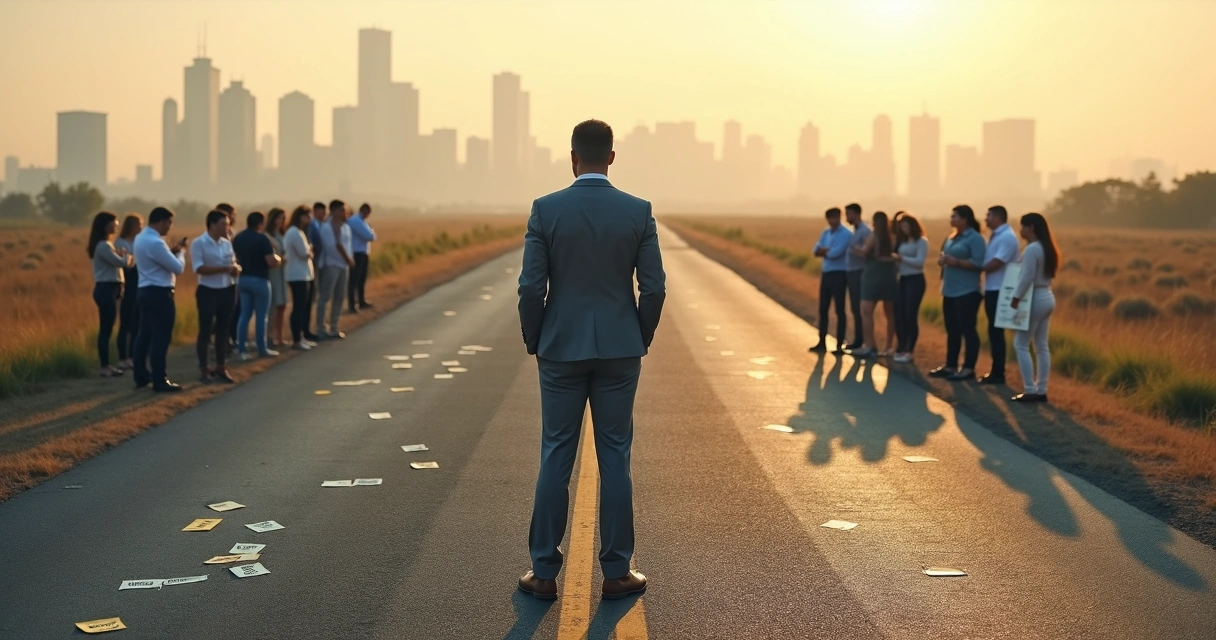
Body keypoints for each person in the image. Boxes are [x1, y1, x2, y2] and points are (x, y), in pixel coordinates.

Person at [517, 119, 664, 602]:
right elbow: (655, 287)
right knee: (615, 456)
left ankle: (543, 573)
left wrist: (536, 339)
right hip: (620, 349)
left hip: (560, 348)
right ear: (613, 156)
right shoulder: (638, 211)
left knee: (556, 453)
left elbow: (530, 288)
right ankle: (617, 572)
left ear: (572, 156)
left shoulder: (545, 209)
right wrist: (636, 335)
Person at [929, 205, 987, 381]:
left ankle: (968, 368)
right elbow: (947, 257)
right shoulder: (951, 237)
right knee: (952, 330)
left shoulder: (975, 238)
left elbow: (979, 264)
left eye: (954, 216)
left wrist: (957, 262)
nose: (951, 219)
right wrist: (943, 261)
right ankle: (950, 365)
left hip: (967, 292)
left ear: (965, 219)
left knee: (967, 329)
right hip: (950, 291)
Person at [132, 206, 187, 392]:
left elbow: (157, 261)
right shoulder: (156, 242)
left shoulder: (141, 237)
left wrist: (171, 251)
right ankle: (159, 379)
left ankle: (140, 375)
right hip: (160, 293)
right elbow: (178, 268)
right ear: (162, 221)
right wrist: (181, 253)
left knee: (144, 336)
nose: (169, 227)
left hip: (144, 290)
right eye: (169, 223)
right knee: (160, 338)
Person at [1010, 213, 1060, 403]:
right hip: (1047, 296)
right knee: (1041, 346)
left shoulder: (1032, 249)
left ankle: (1030, 389)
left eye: (1022, 227)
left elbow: (1027, 276)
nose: (1020, 230)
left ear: (1030, 228)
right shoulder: (1047, 248)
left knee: (1021, 344)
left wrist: (1015, 298)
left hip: (1034, 298)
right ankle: (1041, 390)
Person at [190, 210, 240, 383]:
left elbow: (232, 262)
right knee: (205, 330)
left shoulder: (227, 244)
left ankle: (221, 366)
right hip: (208, 290)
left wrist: (235, 269)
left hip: (228, 288)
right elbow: (199, 268)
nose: (227, 227)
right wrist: (224, 269)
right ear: (212, 224)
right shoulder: (199, 243)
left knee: (223, 329)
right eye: (223, 224)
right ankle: (204, 369)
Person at [977, 205, 1020, 384]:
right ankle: (996, 370)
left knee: (997, 332)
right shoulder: (996, 236)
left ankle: (998, 372)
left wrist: (975, 268)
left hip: (1001, 289)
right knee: (994, 331)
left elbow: (997, 263)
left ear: (998, 217)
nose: (986, 219)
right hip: (992, 288)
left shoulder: (1007, 237)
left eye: (989, 216)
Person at [88, 211, 132, 378]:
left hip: (111, 289)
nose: (117, 225)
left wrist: (121, 256)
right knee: (106, 329)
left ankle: (106, 365)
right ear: (106, 225)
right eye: (114, 222)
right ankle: (104, 366)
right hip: (106, 289)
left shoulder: (105, 245)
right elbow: (122, 263)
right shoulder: (104, 246)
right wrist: (126, 255)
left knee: (108, 327)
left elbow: (117, 261)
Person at [849, 211, 898, 359]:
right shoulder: (892, 238)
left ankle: (869, 345)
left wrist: (853, 248)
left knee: (866, 312)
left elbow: (864, 251)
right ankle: (889, 346)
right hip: (889, 277)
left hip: (872, 276)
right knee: (890, 313)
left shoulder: (874, 236)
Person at [233, 211, 282, 359]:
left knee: (244, 315)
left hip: (243, 279)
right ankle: (262, 348)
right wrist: (279, 258)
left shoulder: (238, 238)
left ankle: (241, 349)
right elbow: (271, 262)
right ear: (260, 223)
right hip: (260, 279)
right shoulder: (262, 239)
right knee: (262, 316)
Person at [808, 207, 852, 354]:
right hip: (826, 272)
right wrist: (824, 251)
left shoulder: (846, 234)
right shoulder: (825, 232)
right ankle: (822, 341)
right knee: (823, 309)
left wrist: (824, 251)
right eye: (830, 218)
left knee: (840, 309)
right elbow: (815, 249)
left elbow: (835, 253)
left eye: (835, 217)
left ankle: (840, 343)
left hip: (840, 273)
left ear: (840, 217)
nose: (833, 221)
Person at [892, 212, 928, 364]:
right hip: (903, 279)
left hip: (915, 280)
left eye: (906, 226)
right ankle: (901, 346)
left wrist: (902, 258)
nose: (904, 229)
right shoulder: (902, 242)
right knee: (899, 314)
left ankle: (909, 350)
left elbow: (920, 262)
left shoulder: (921, 241)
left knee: (910, 314)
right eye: (902, 227)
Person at [314, 200, 354, 339]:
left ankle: (334, 327)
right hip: (331, 265)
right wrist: (346, 259)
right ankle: (320, 328)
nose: (345, 213)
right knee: (325, 297)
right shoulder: (327, 227)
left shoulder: (345, 227)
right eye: (342, 210)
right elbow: (331, 247)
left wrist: (348, 260)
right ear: (335, 211)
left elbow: (348, 245)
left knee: (339, 296)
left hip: (344, 266)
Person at [284, 205, 317, 350]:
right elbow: (304, 253)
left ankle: (301, 336)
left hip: (303, 274)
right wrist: (310, 249)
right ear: (300, 216)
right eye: (307, 215)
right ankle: (297, 339)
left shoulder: (299, 232)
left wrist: (309, 250)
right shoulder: (294, 232)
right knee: (298, 307)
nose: (309, 218)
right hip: (297, 275)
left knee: (303, 306)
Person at [113, 213, 143, 370]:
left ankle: (132, 355)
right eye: (139, 224)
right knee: (125, 322)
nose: (141, 227)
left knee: (136, 322)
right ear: (131, 226)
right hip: (128, 282)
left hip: (139, 282)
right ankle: (122, 357)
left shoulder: (138, 241)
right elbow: (126, 263)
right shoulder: (121, 242)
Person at [843, 202, 869, 350]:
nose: (847, 217)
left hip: (859, 272)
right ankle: (858, 338)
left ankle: (862, 340)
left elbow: (867, 253)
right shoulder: (855, 230)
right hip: (852, 271)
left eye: (848, 214)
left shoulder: (864, 231)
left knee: (859, 308)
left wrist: (856, 249)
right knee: (854, 307)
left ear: (856, 214)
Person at [216, 203, 240, 347]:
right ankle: (225, 339)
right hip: (222, 279)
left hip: (233, 275)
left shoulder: (231, 231)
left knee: (236, 309)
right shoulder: (222, 234)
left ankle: (232, 337)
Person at [265, 207, 289, 348]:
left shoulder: (281, 234)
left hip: (282, 273)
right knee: (272, 306)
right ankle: (269, 336)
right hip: (272, 273)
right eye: (279, 218)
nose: (281, 221)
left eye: (283, 218)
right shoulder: (267, 235)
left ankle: (279, 337)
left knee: (282, 305)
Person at [346, 202, 376, 313]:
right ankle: (352, 304)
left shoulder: (362, 221)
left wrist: (371, 232)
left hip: (362, 252)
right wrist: (371, 231)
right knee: (354, 279)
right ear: (364, 210)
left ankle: (361, 301)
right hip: (356, 252)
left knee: (361, 279)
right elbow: (369, 236)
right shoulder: (356, 221)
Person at [305, 201, 328, 342]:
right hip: (313, 265)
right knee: (310, 298)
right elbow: (315, 245)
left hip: (318, 263)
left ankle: (313, 327)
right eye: (321, 211)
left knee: (314, 297)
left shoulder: (322, 224)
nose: (324, 214)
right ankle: (308, 329)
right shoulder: (312, 225)